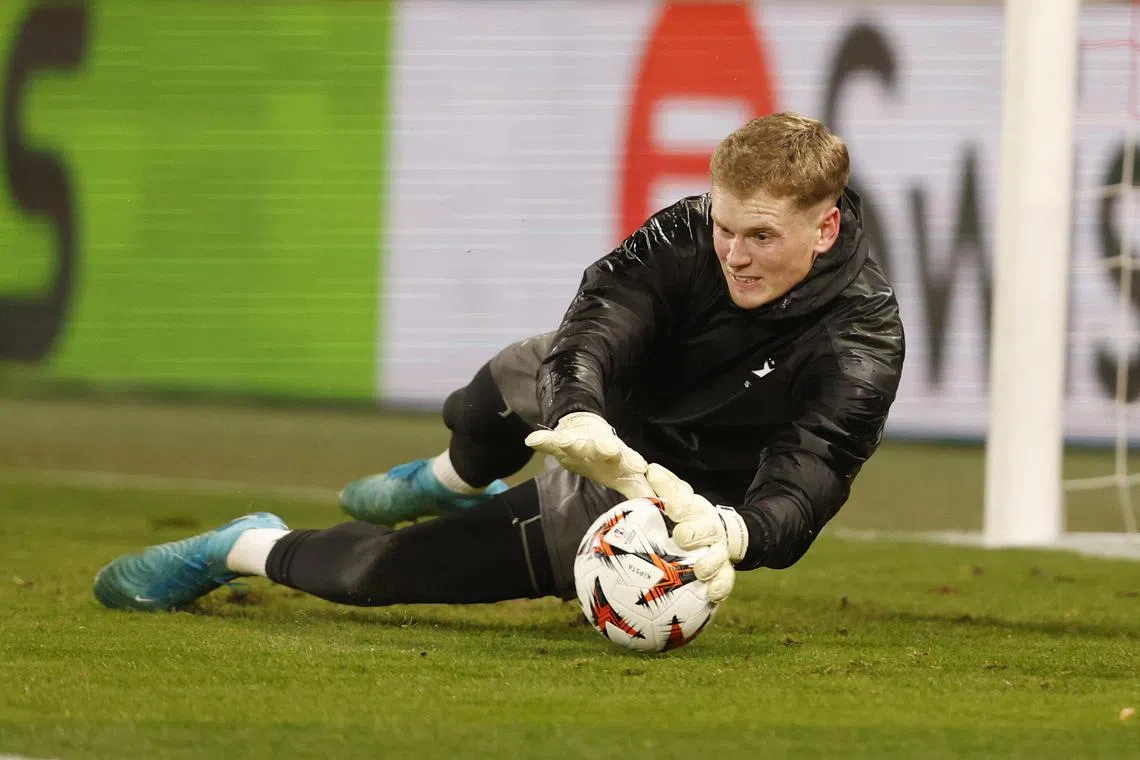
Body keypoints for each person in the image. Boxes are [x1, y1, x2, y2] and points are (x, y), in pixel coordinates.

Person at [92, 111, 905, 614]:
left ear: (825, 228)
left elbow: (813, 476)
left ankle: (240, 545)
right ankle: (450, 474)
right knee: (514, 380)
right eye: (725, 225)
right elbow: (601, 318)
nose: (732, 252)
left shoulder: (861, 341)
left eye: (760, 235)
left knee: (378, 575)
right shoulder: (690, 231)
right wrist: (580, 411)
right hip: (601, 404)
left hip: (654, 499)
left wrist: (734, 531)